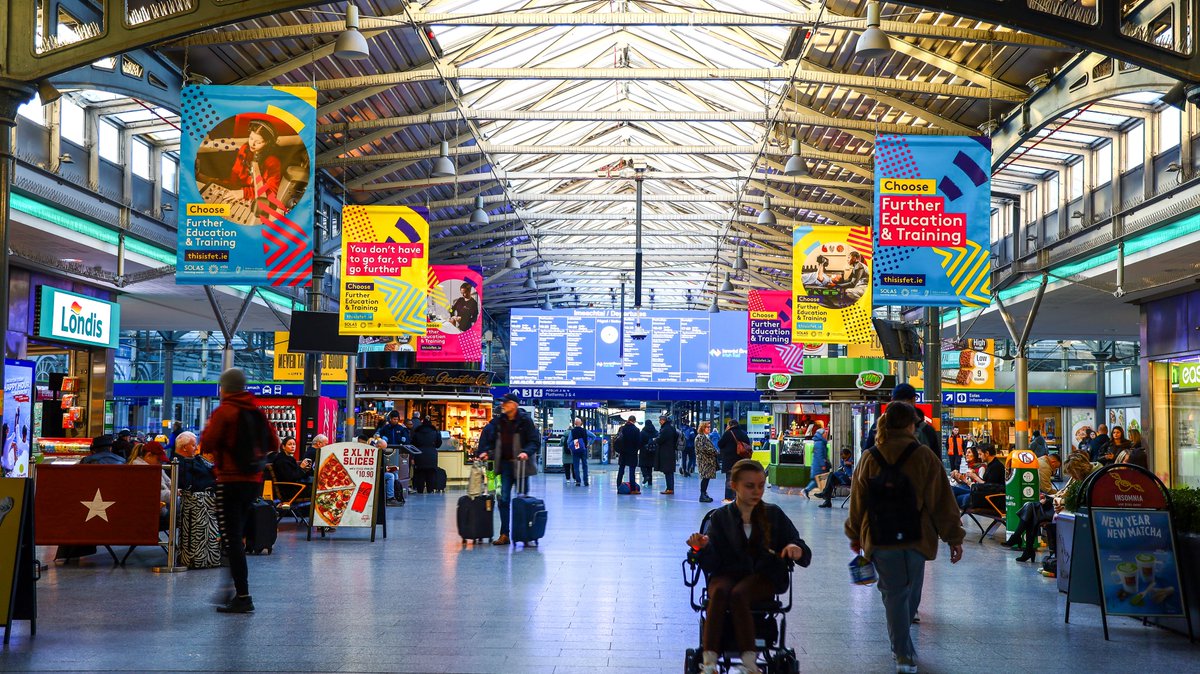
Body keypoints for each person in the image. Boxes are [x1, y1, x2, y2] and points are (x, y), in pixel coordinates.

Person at [844, 402, 964, 674]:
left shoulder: (870, 456)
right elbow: (942, 502)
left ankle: (902, 652)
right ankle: (903, 651)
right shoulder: (924, 456)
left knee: (893, 594)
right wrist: (953, 537)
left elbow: (858, 500)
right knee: (910, 595)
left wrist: (855, 533)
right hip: (916, 539)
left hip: (879, 536)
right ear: (912, 425)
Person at [687, 460, 811, 674]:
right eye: (750, 486)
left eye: (761, 485)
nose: (757, 491)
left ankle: (749, 662)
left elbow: (800, 546)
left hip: (763, 575)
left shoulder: (774, 515)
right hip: (727, 573)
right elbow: (711, 562)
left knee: (738, 594)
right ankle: (708, 663)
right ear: (734, 485)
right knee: (718, 592)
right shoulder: (720, 518)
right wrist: (702, 548)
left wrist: (795, 548)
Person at [200, 368, 278, 614]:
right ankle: (230, 589)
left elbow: (208, 442)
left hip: (230, 481)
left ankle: (241, 595)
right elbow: (273, 443)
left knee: (231, 538)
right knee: (237, 536)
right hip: (253, 481)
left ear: (224, 388)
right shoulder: (255, 410)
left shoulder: (225, 411)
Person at [475, 392, 539, 546]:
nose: (503, 405)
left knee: (522, 499)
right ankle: (505, 534)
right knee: (503, 499)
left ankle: (524, 533)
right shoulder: (499, 422)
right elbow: (492, 442)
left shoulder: (525, 421)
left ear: (514, 405)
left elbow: (534, 441)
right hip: (503, 465)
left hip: (521, 465)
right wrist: (485, 453)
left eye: (506, 403)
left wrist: (526, 452)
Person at [1007, 452, 1093, 562]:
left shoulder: (1085, 479)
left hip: (1065, 508)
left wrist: (1056, 499)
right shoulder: (1076, 478)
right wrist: (1050, 497)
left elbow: (1073, 499)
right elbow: (1062, 492)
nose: (1072, 476)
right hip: (1060, 504)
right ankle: (1023, 545)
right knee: (1032, 509)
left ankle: (1021, 543)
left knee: (1032, 509)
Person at [206, 119, 283, 205]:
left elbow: (272, 192)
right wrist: (228, 189)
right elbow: (234, 178)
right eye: (251, 138)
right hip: (238, 191)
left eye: (258, 142)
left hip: (255, 198)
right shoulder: (244, 148)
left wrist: (244, 193)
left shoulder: (273, 162)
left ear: (268, 143)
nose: (252, 144)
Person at [864, 384, 940, 458]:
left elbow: (865, 461)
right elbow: (937, 466)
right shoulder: (926, 430)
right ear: (913, 400)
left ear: (892, 401)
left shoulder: (878, 426)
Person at [951, 443, 1005, 509]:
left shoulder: (996, 467)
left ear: (987, 453)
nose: (979, 457)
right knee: (953, 490)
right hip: (983, 493)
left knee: (962, 498)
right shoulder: (991, 465)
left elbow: (990, 487)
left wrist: (975, 477)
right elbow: (987, 484)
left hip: (990, 498)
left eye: (980, 454)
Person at [717, 420, 752, 503]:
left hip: (730, 461)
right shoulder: (743, 434)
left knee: (730, 478)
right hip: (741, 461)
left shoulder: (728, 433)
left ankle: (729, 497)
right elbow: (748, 445)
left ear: (730, 425)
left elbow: (720, 444)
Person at [411, 415, 441, 494]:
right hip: (431, 455)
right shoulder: (435, 432)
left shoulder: (417, 432)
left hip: (419, 454)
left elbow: (413, 444)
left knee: (420, 474)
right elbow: (438, 444)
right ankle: (430, 490)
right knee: (431, 474)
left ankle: (420, 490)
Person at [802, 426, 831, 498]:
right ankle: (806, 490)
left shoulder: (819, 442)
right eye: (825, 433)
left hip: (818, 465)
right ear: (822, 434)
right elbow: (819, 455)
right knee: (819, 479)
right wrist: (823, 464)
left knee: (819, 480)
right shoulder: (820, 443)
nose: (826, 434)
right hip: (818, 466)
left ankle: (824, 493)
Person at [615, 416, 642, 492]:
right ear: (634, 421)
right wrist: (636, 449)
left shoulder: (622, 428)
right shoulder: (636, 430)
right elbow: (639, 442)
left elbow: (617, 440)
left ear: (628, 420)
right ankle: (633, 489)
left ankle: (619, 486)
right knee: (632, 471)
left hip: (623, 453)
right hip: (632, 453)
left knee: (621, 470)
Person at [655, 414, 679, 495]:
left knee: (668, 471)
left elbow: (661, 439)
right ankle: (670, 488)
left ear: (663, 420)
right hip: (670, 451)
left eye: (660, 420)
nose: (659, 422)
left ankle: (670, 489)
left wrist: (655, 440)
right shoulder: (671, 428)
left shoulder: (666, 429)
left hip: (666, 453)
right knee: (669, 471)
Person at [695, 421, 719, 503]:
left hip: (707, 461)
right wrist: (715, 451)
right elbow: (703, 449)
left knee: (707, 478)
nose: (709, 428)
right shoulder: (700, 437)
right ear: (702, 428)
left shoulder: (705, 437)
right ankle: (702, 495)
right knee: (705, 478)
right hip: (704, 462)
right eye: (707, 427)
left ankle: (704, 493)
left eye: (709, 427)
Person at [568, 418, 590, 487]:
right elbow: (593, 436)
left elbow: (568, 441)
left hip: (576, 446)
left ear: (574, 424)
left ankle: (578, 481)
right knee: (585, 465)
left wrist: (571, 447)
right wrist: (588, 444)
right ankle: (586, 481)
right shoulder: (585, 430)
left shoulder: (572, 431)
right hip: (583, 448)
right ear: (581, 424)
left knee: (576, 466)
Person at [639, 418, 659, 487]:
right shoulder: (655, 432)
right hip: (652, 451)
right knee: (650, 466)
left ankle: (645, 476)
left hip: (644, 451)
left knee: (642, 465)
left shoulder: (643, 432)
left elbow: (640, 441)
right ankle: (650, 481)